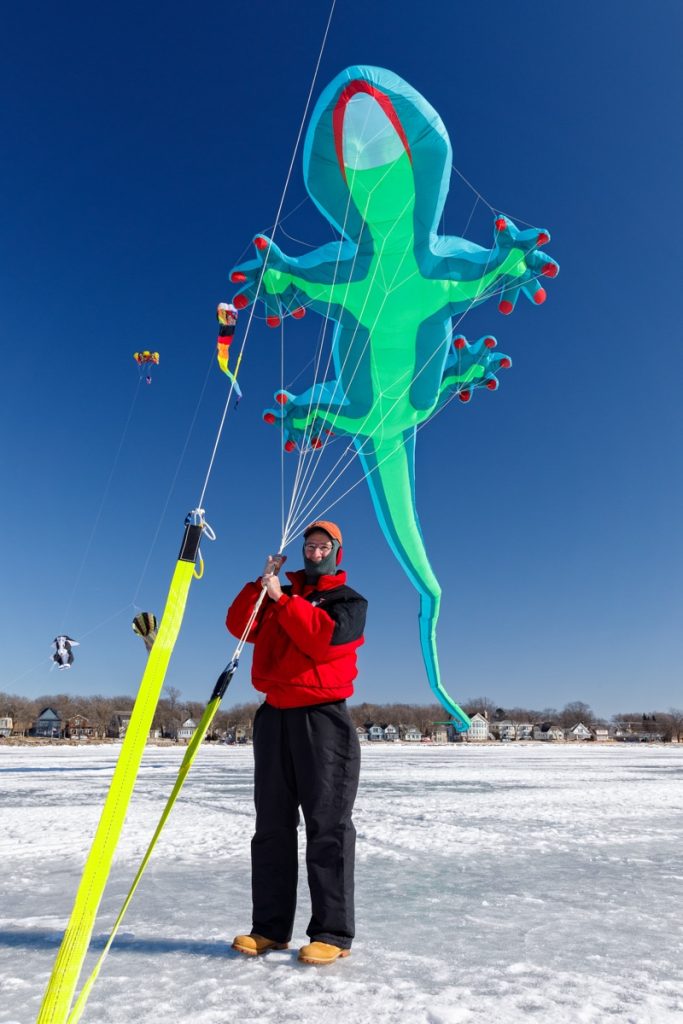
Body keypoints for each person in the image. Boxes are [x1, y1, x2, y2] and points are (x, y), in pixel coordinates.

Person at [226, 520, 367, 965]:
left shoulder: (349, 602)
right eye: (310, 546)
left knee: (328, 826)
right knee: (271, 825)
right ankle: (269, 929)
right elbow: (239, 626)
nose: (315, 552)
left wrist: (283, 601)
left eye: (323, 546)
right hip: (274, 717)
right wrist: (261, 584)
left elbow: (323, 640)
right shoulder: (275, 595)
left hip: (322, 719)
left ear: (336, 552)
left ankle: (332, 933)